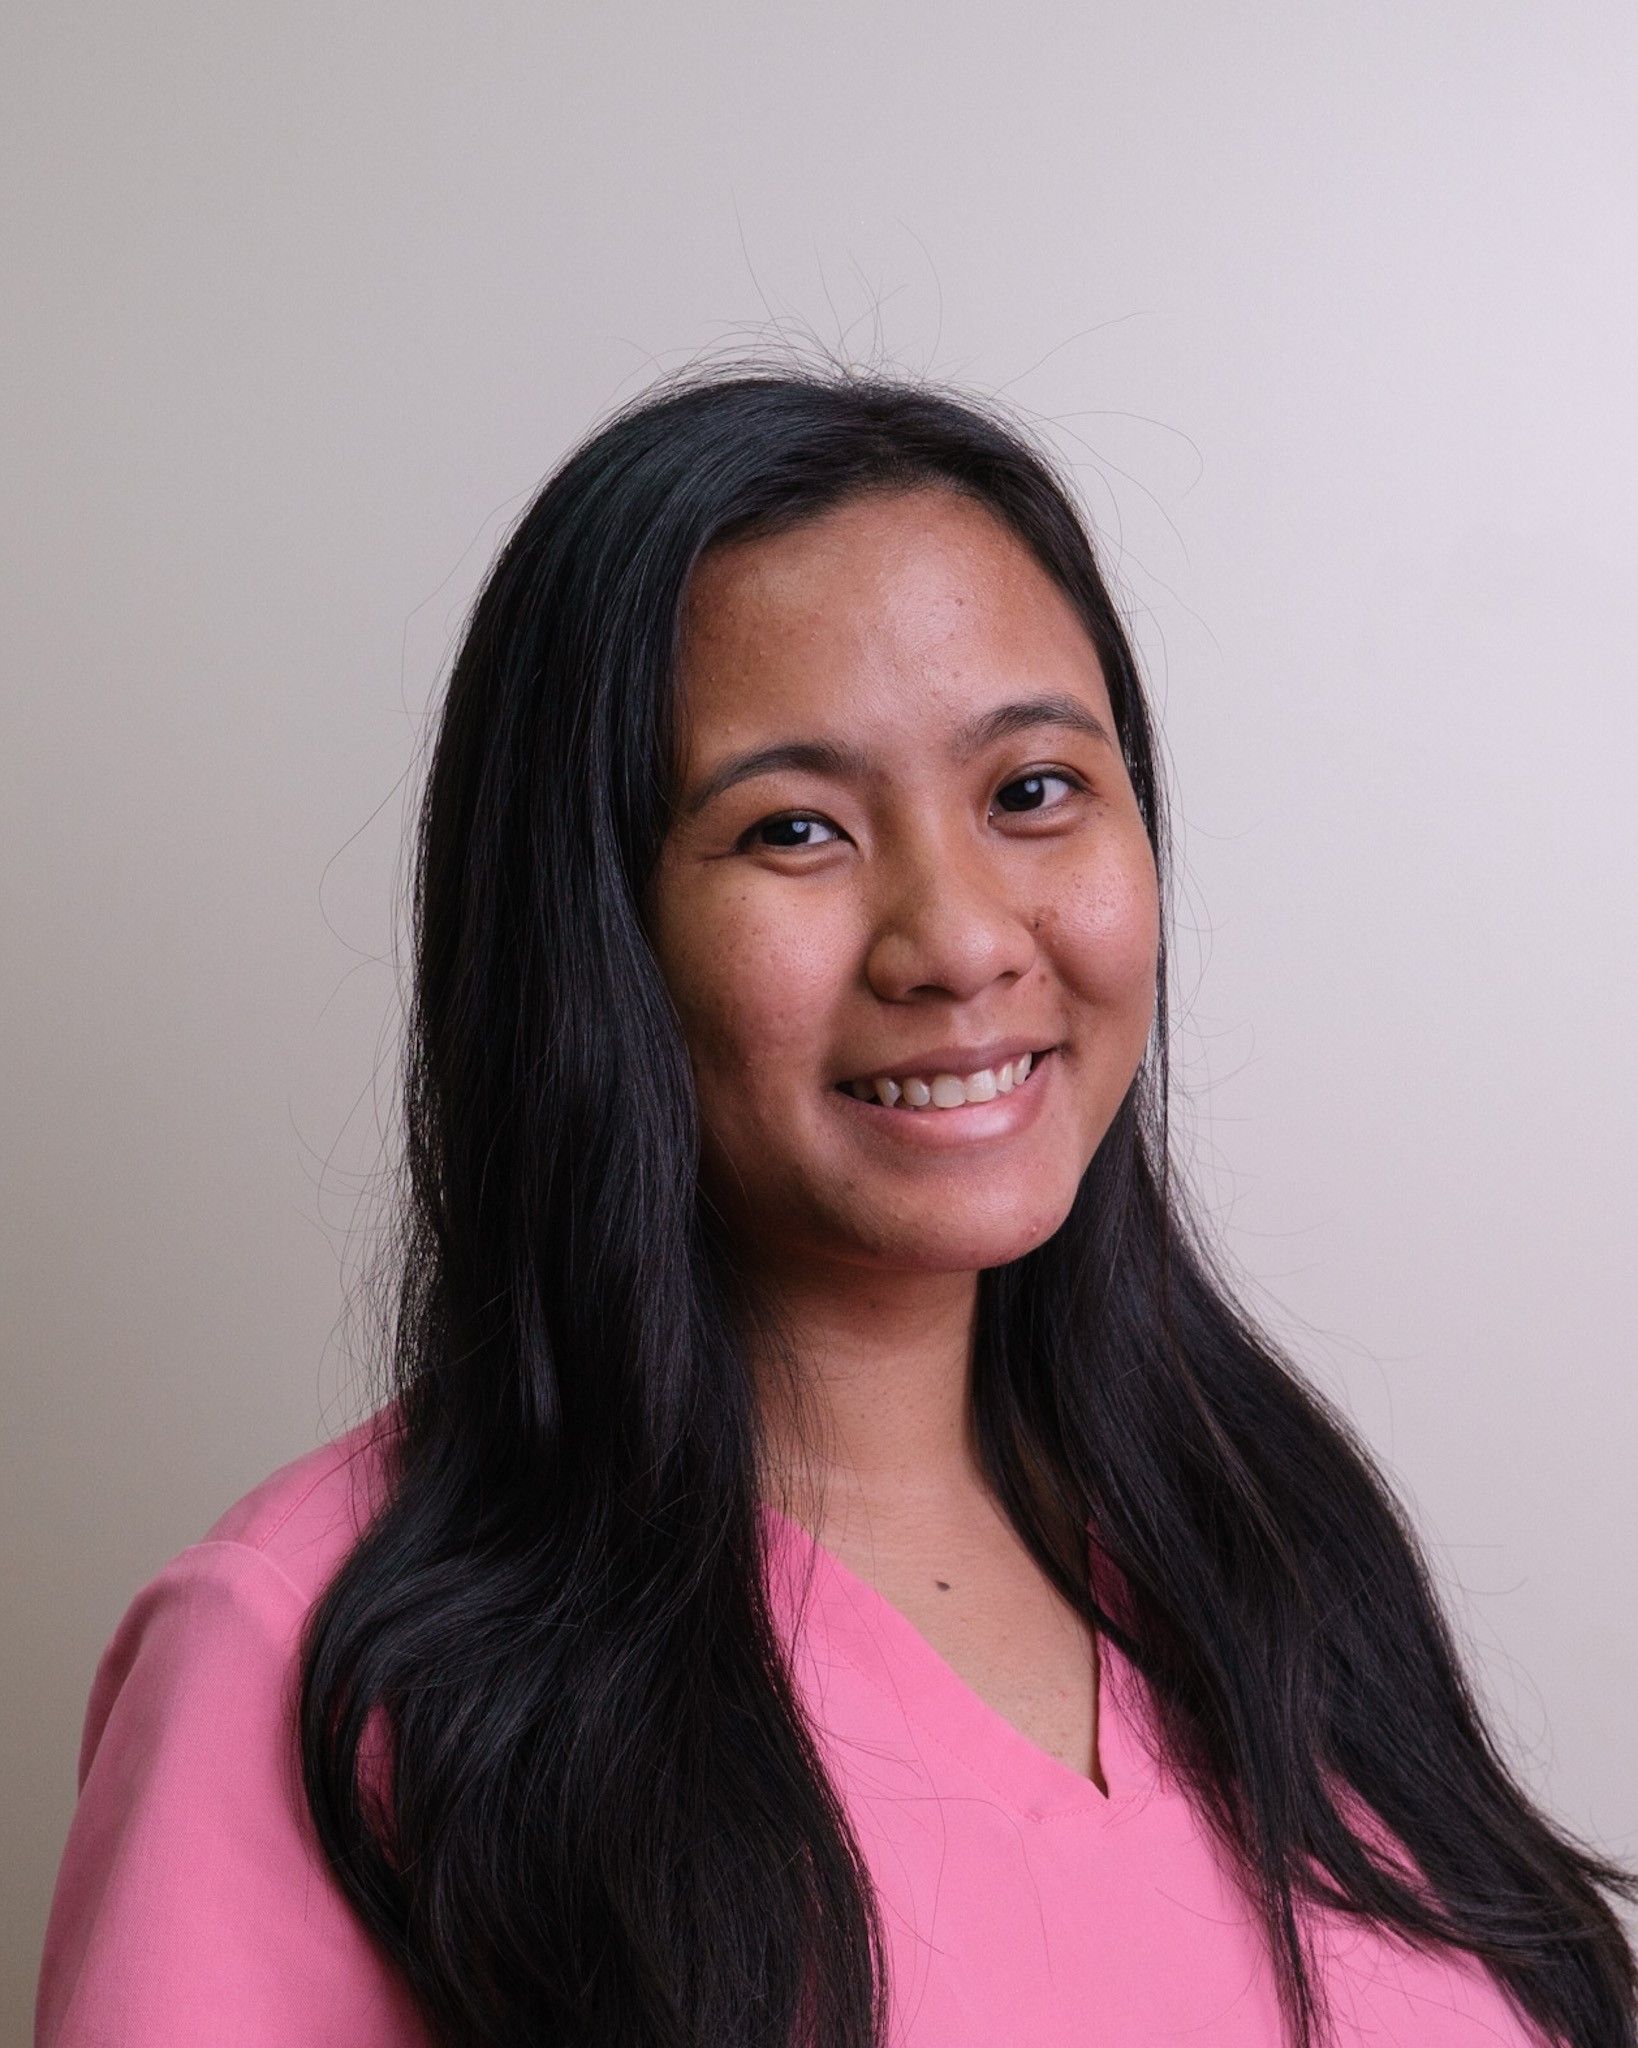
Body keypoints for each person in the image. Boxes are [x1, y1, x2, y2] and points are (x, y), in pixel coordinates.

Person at [35, 362, 1637, 2048]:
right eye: (792, 828)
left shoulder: (1266, 1540)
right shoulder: (306, 1665)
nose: (955, 938)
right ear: (591, 930)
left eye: (1032, 791)